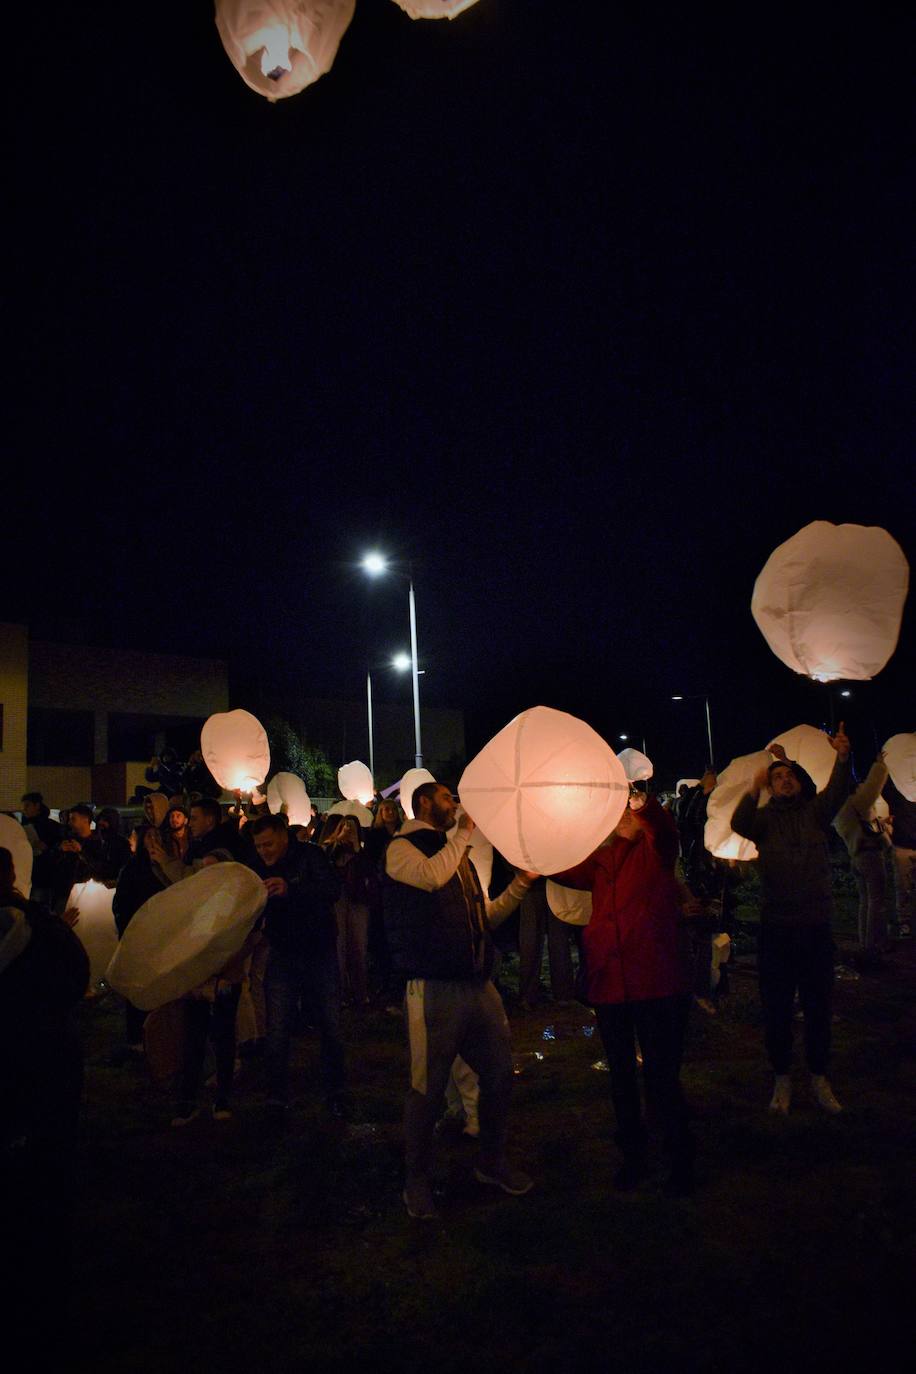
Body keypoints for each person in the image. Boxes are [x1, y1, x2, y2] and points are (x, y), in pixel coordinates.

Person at [383, 780, 536, 1220]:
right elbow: (432, 877)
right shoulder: (402, 849)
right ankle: (416, 1180)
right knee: (426, 1089)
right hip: (432, 988)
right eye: (449, 798)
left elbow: (483, 917)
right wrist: (465, 834)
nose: (457, 805)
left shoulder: (458, 856)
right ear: (426, 803)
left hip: (476, 985)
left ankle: (491, 1162)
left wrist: (522, 884)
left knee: (500, 1075)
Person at [550, 794, 696, 1195]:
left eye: (627, 812)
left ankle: (679, 1159)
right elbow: (559, 867)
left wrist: (643, 805)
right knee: (621, 1077)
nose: (623, 817)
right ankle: (634, 1156)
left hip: (654, 982)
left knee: (661, 1075)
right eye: (618, 813)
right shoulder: (600, 860)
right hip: (611, 984)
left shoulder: (656, 851)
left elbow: (665, 830)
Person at [731, 725, 851, 1115]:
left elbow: (837, 791)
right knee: (777, 1008)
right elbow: (739, 824)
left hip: (815, 926)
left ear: (801, 782)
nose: (784, 781)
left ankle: (818, 1076)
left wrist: (843, 757)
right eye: (778, 777)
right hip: (777, 929)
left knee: (818, 1006)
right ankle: (782, 1077)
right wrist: (755, 786)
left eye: (790, 776)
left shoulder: (816, 812)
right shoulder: (763, 820)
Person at [248, 813, 347, 1118]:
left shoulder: (310, 855)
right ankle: (276, 1096)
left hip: (318, 951)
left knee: (330, 1023)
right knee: (277, 1028)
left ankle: (336, 1092)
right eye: (259, 846)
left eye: (268, 844)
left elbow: (331, 890)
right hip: (283, 953)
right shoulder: (258, 869)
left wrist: (291, 888)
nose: (264, 851)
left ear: (283, 836)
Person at [833, 754, 891, 955]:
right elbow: (873, 788)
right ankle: (874, 944)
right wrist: (879, 765)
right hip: (869, 855)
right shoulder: (854, 804)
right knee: (876, 900)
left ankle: (866, 942)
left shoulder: (839, 809)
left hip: (856, 857)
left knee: (865, 900)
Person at [882, 774, 916, 940]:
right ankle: (905, 923)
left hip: (903, 846)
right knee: (902, 888)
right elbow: (886, 787)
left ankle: (906, 923)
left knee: (902, 888)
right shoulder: (898, 796)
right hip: (902, 848)